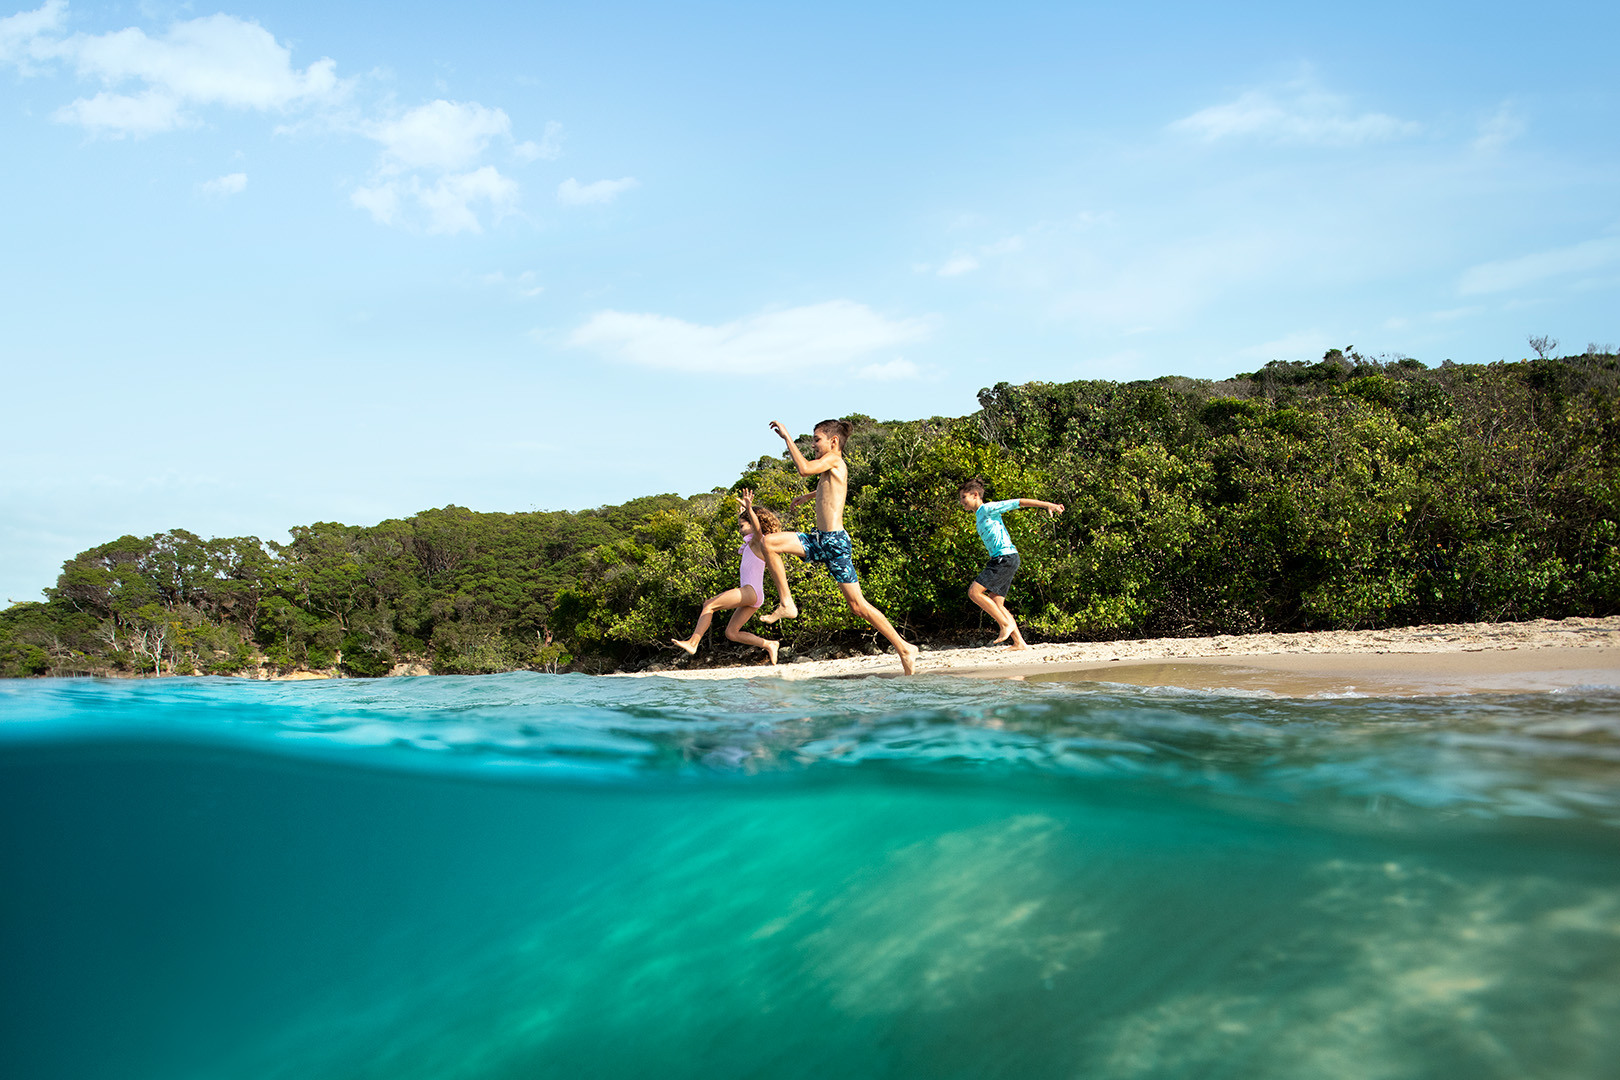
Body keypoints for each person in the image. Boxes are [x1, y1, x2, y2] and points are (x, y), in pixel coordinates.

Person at [755, 418, 919, 675]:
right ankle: (787, 603)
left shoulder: (834, 460)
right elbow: (832, 489)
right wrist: (808, 496)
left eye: (816, 439)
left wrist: (788, 437)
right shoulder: (831, 467)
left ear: (833, 441)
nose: (813, 444)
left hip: (834, 543)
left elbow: (804, 469)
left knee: (858, 606)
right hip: (820, 539)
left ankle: (904, 647)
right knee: (768, 542)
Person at [671, 490, 782, 664]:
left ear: (753, 524)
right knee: (731, 633)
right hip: (754, 595)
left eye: (742, 526)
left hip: (750, 591)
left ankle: (693, 643)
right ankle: (769, 644)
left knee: (709, 605)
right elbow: (753, 528)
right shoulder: (750, 543)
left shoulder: (758, 542)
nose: (739, 530)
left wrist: (750, 509)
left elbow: (757, 528)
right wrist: (743, 513)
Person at [957, 478, 1064, 650]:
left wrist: (1047, 505)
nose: (961, 501)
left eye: (964, 497)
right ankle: (1019, 642)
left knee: (974, 592)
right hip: (1004, 558)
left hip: (1004, 558)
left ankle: (1005, 624)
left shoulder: (988, 508)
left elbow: (1018, 502)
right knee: (996, 602)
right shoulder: (979, 514)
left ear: (975, 495)